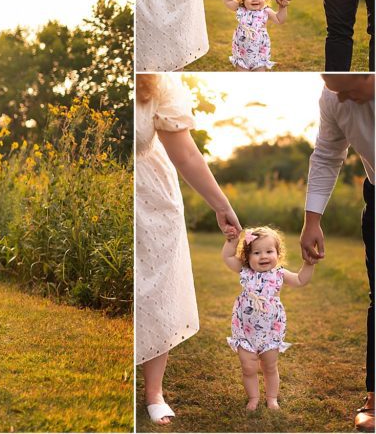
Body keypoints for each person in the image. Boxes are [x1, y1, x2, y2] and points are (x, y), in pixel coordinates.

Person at [135, 74, 242, 425]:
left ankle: (154, 392)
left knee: (154, 289)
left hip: (150, 198)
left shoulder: (156, 84)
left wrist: (221, 204)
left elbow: (187, 154)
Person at [300, 73, 375, 430]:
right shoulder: (333, 98)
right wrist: (311, 221)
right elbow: (328, 155)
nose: (341, 99)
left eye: (347, 89)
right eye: (334, 89)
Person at [221, 226, 314, 411]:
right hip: (245, 330)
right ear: (247, 256)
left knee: (269, 366)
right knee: (248, 367)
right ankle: (253, 398)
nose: (263, 256)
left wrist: (309, 264)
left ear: (278, 254)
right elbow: (227, 257)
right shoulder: (245, 271)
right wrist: (231, 241)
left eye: (269, 251)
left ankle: (272, 398)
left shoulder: (279, 274)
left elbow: (300, 280)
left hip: (271, 330)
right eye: (257, 252)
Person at [223, 0, 290, 71]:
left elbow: (280, 20)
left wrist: (282, 7)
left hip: (259, 53)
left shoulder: (265, 11)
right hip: (241, 53)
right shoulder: (240, 8)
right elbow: (227, 1)